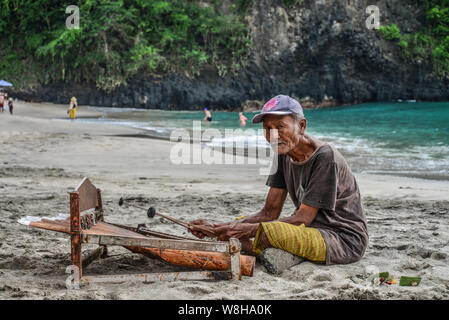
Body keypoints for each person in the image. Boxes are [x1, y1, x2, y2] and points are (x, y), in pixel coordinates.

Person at [189, 95, 369, 274]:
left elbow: (302, 219)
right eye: (267, 129)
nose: (273, 135)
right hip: (307, 231)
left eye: (280, 127)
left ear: (301, 126)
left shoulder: (324, 156)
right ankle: (281, 254)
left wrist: (237, 231)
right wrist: (218, 227)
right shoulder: (283, 153)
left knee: (267, 231)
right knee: (247, 226)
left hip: (341, 239)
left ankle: (261, 250)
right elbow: (269, 212)